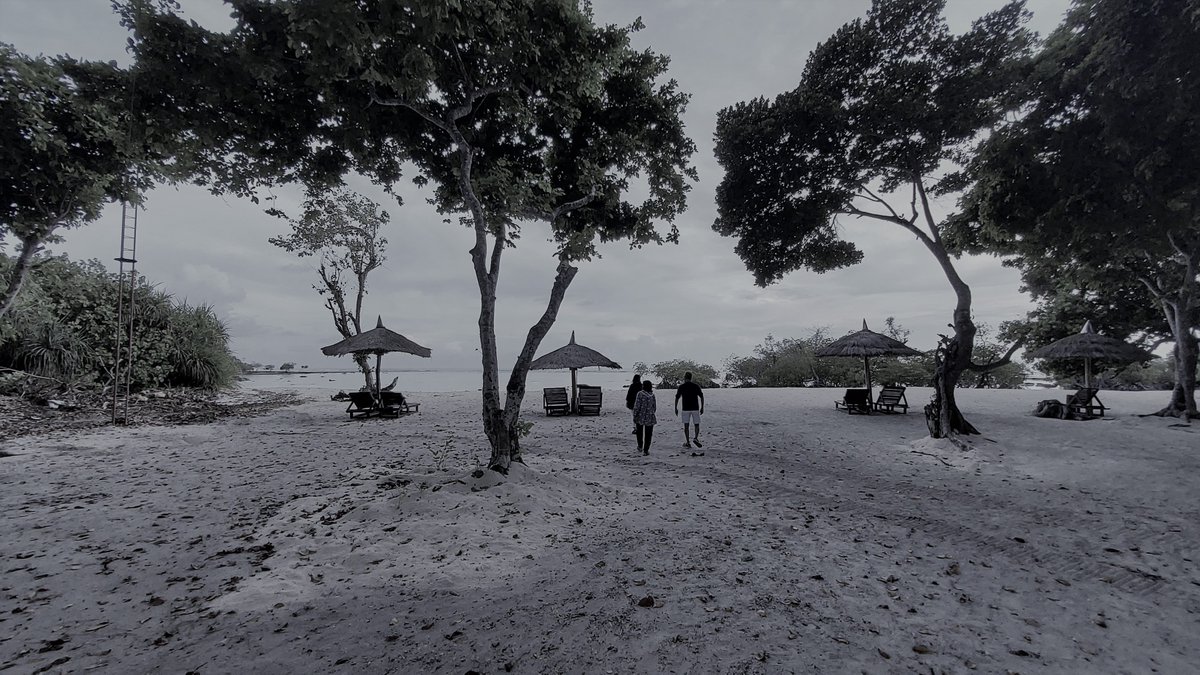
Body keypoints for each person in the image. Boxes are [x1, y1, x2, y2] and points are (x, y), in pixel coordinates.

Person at [674, 371, 705, 449]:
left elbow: (677, 397)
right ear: (691, 378)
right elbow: (701, 396)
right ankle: (695, 438)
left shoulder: (682, 387)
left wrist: (676, 407)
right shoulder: (696, 386)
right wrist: (702, 407)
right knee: (696, 424)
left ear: (685, 378)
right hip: (695, 407)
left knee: (686, 426)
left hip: (685, 408)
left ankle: (688, 442)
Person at [633, 379, 657, 455]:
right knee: (648, 434)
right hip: (650, 416)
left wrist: (635, 415)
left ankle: (640, 446)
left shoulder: (640, 394)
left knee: (639, 432)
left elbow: (637, 406)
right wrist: (651, 412)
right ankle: (646, 450)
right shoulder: (652, 395)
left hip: (640, 416)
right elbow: (654, 407)